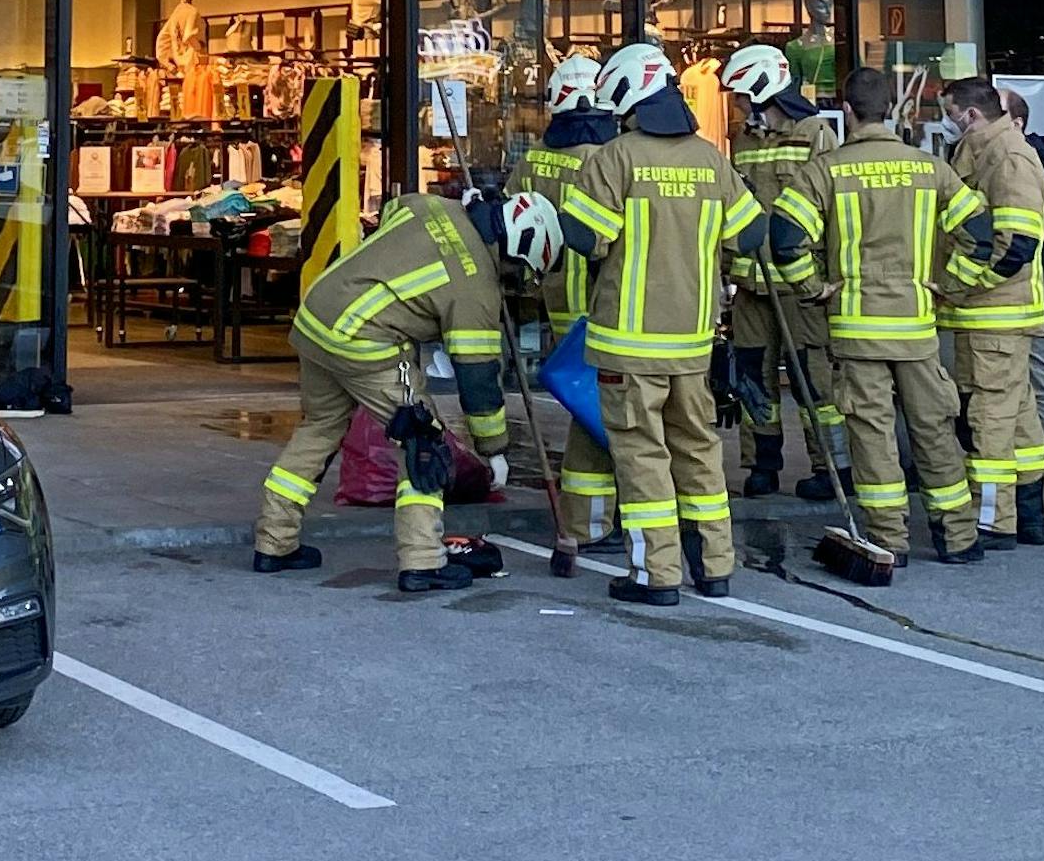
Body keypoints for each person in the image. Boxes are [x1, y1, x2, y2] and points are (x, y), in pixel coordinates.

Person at [253, 187, 563, 594]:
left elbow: (394, 209)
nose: (515, 284)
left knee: (319, 429)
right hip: (366, 340)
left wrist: (468, 202)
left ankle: (274, 542)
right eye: (521, 274)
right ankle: (423, 561)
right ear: (517, 253)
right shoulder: (475, 287)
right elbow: (477, 376)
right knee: (424, 444)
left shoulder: (434, 206)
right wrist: (494, 450)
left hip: (316, 318)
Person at [561, 43, 765, 608]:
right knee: (698, 450)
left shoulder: (616, 158)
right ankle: (714, 564)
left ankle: (656, 573)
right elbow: (750, 235)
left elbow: (584, 238)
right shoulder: (710, 159)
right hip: (693, 342)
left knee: (642, 458)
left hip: (628, 346)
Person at [770, 65, 992, 567]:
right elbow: (980, 235)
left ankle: (888, 538)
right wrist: (950, 287)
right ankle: (957, 536)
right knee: (933, 427)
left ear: (846, 111)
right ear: (892, 108)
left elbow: (785, 238)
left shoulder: (825, 170)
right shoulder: (930, 168)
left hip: (855, 328)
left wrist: (813, 289)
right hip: (916, 326)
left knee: (870, 433)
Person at [722, 43, 849, 501]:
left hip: (802, 286)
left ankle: (833, 466)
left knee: (813, 379)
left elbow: (833, 209)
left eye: (739, 93)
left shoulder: (815, 133)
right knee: (753, 378)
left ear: (761, 88)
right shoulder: (742, 139)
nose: (735, 103)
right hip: (752, 283)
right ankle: (762, 464)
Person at [507, 51, 621, 554]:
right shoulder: (609, 159)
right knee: (605, 412)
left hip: (554, 296)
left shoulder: (534, 160)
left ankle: (588, 516)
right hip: (604, 304)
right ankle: (609, 516)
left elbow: (513, 222)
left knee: (583, 407)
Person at [940, 77, 1044, 548]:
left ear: (970, 114)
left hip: (994, 317)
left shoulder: (1007, 157)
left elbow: (1015, 247)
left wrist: (961, 287)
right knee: (1019, 421)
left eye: (949, 112)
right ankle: (1031, 515)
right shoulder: (989, 150)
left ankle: (992, 521)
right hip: (996, 318)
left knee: (987, 420)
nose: (945, 122)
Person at [1004, 91, 1044, 464]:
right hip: (1037, 289)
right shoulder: (1033, 162)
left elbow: (1033, 242)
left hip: (1036, 292)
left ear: (1017, 123)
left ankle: (1043, 467)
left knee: (1037, 384)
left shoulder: (1030, 165)